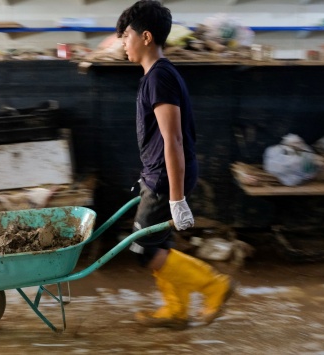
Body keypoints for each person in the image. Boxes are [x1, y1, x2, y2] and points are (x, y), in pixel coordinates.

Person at [116, 0, 234, 330]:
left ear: (147, 37)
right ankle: (176, 309)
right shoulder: (158, 75)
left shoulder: (159, 78)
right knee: (159, 244)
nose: (123, 43)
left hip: (166, 178)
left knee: (141, 249)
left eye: (126, 36)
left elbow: (174, 140)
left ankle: (215, 286)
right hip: (160, 174)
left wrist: (176, 197)